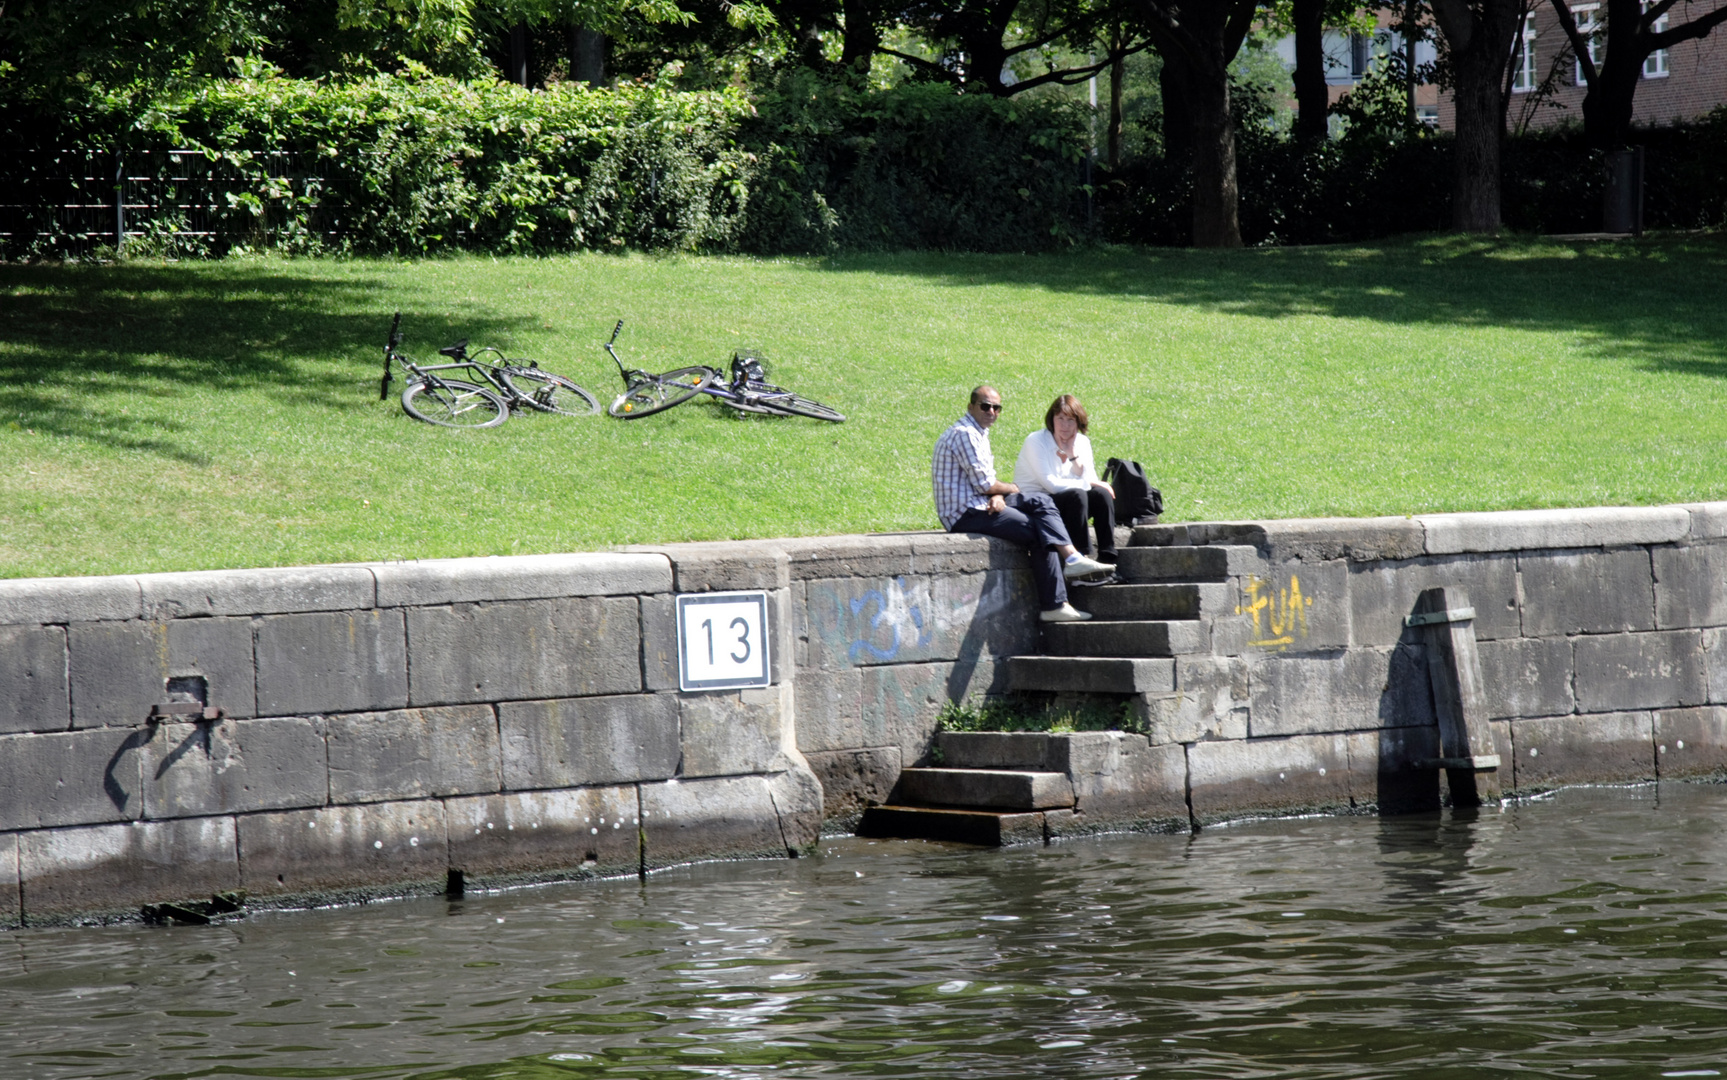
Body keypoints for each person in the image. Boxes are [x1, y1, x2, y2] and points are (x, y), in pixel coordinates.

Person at [932, 385, 1112, 623]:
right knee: (1038, 528)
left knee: (1041, 500)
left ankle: (1073, 561)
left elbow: (985, 485)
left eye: (997, 407)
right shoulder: (966, 434)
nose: (992, 412)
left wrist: (998, 494)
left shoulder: (978, 433)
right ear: (971, 407)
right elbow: (986, 484)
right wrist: (1008, 490)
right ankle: (1056, 601)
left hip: (980, 503)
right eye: (985, 406)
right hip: (965, 513)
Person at [1012, 394, 1117, 564]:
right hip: (1037, 503)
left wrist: (1073, 455)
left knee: (1101, 495)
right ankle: (1080, 561)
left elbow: (1090, 479)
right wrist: (1087, 482)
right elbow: (1051, 485)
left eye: (1070, 420)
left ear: (1078, 423)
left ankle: (1108, 559)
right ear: (1051, 420)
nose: (1064, 426)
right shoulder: (1036, 441)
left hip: (1071, 504)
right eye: (1060, 418)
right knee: (1078, 495)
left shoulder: (1082, 442)